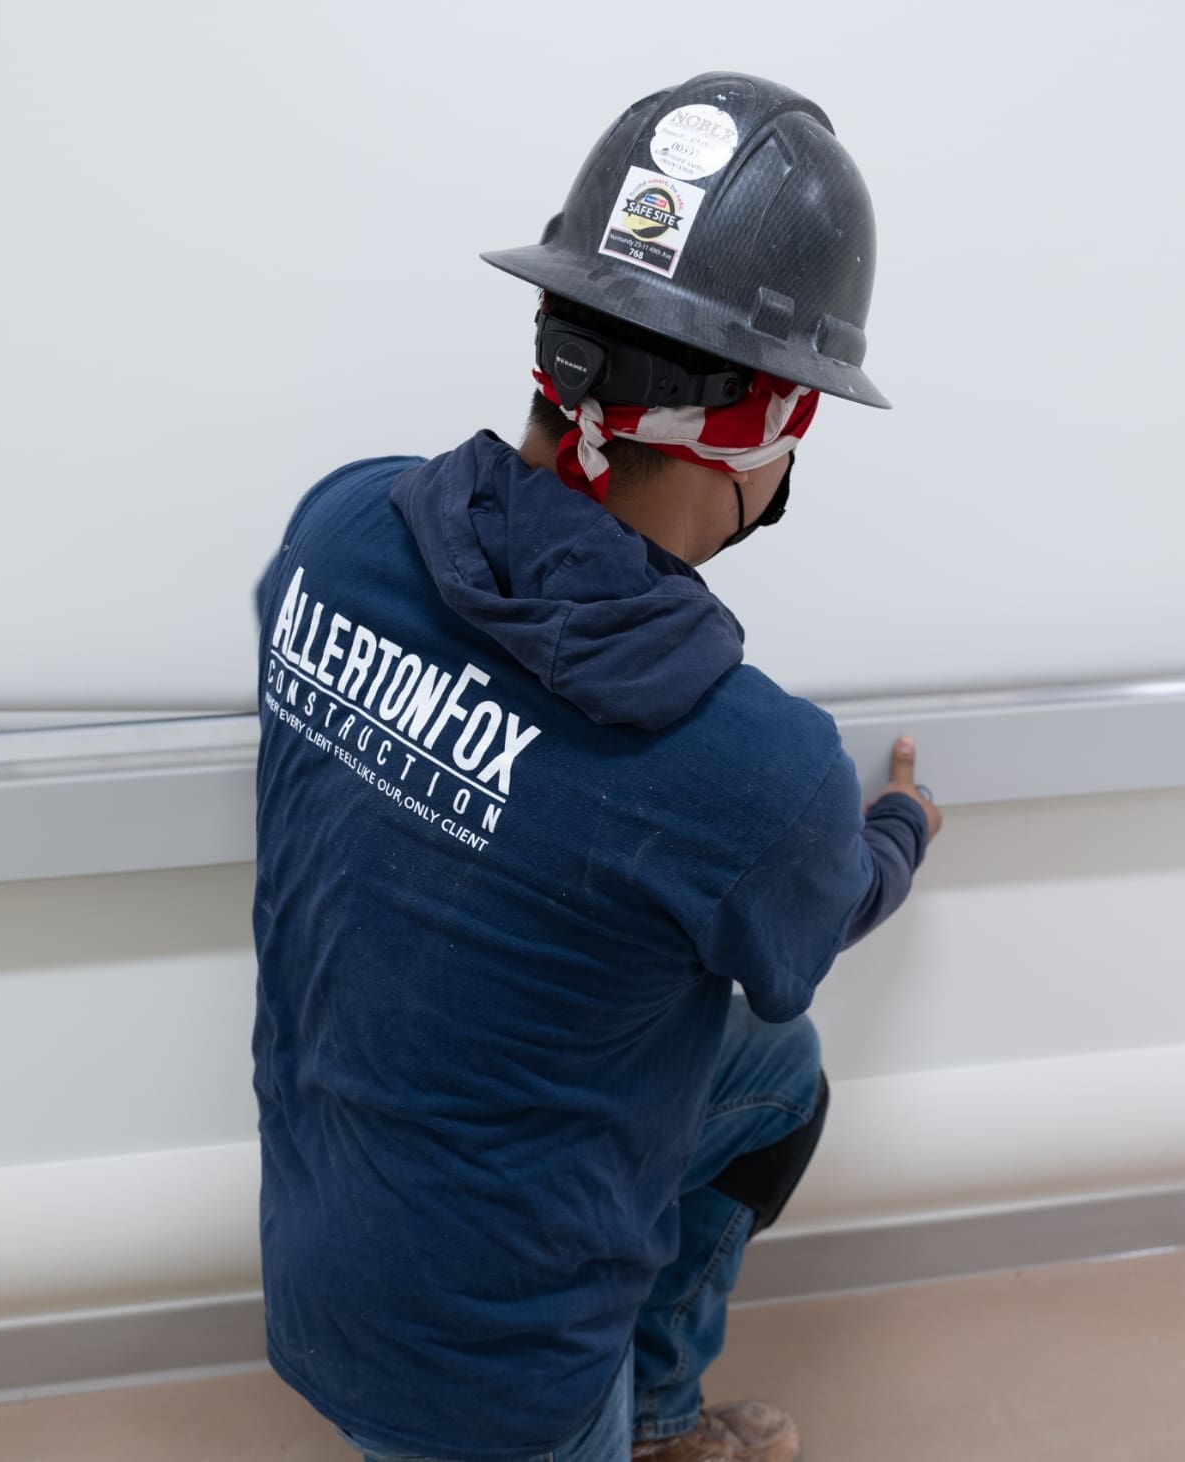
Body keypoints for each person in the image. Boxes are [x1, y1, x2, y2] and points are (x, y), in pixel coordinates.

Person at [250, 71, 941, 1462]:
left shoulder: (336, 533)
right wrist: (902, 828)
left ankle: (661, 1423)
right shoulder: (749, 762)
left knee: (773, 1073)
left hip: (323, 1250)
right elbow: (812, 906)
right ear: (769, 425)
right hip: (502, 1379)